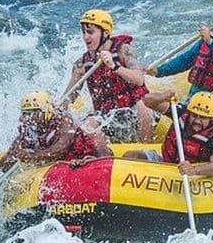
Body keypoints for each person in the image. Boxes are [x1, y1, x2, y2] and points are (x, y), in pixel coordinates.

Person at [0, 91, 111, 210]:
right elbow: (3, 165)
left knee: (93, 132)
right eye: (26, 113)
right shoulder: (26, 132)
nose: (29, 118)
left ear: (47, 111)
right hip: (55, 169)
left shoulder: (63, 120)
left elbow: (59, 149)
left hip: (81, 157)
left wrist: (29, 157)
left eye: (35, 112)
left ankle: (104, 161)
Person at [63, 9, 153, 143]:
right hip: (106, 115)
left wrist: (114, 66)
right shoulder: (81, 64)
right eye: (83, 32)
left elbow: (139, 80)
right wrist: (54, 110)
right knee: (88, 126)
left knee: (143, 106)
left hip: (132, 108)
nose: (85, 37)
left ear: (105, 33)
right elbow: (69, 97)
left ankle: (147, 147)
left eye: (90, 32)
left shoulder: (124, 50)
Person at [144, 6, 213, 112]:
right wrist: (159, 71)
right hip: (197, 90)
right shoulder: (211, 38)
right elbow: (186, 59)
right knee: (186, 114)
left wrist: (210, 42)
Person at [123, 91, 213, 177]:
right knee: (131, 156)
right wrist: (163, 97)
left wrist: (194, 170)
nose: (197, 120)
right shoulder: (180, 113)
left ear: (211, 119)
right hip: (165, 162)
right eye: (194, 115)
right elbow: (147, 100)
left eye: (202, 117)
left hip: (191, 172)